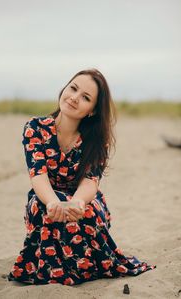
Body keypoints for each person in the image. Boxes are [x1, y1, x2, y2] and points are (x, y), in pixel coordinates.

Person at [8, 68, 156, 285]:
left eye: (85, 97)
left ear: (92, 111)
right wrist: (52, 203)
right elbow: (37, 175)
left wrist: (77, 202)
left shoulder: (96, 140)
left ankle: (85, 267)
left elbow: (90, 181)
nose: (74, 98)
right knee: (42, 209)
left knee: (89, 210)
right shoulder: (35, 128)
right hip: (45, 195)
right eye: (73, 88)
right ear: (65, 88)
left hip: (82, 197)